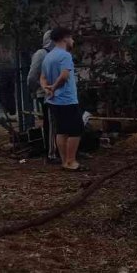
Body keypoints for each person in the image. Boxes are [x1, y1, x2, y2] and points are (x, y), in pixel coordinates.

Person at [41, 27, 83, 172]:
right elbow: (65, 76)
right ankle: (71, 161)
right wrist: (54, 87)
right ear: (65, 38)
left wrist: (47, 88)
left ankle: (65, 161)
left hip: (54, 100)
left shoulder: (48, 56)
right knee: (76, 129)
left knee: (61, 130)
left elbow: (42, 77)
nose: (73, 41)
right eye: (71, 38)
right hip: (67, 99)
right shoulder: (65, 56)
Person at [27, 30, 58, 163]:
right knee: (51, 123)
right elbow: (32, 77)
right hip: (47, 94)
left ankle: (58, 151)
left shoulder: (58, 54)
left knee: (56, 123)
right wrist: (35, 90)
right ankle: (51, 154)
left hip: (58, 94)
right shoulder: (41, 54)